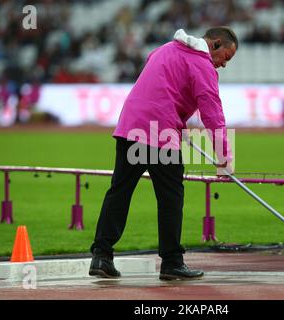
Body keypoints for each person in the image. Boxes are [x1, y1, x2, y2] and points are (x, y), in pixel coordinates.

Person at [89, 27, 237, 280]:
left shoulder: (163, 50)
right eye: (226, 57)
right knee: (170, 197)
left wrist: (178, 120)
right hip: (160, 135)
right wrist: (224, 157)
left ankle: (101, 256)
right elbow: (212, 113)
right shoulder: (202, 65)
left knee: (120, 191)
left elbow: (161, 87)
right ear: (215, 44)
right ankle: (171, 262)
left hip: (130, 127)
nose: (223, 65)